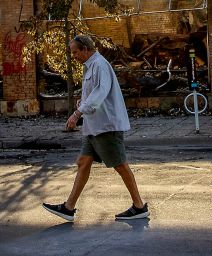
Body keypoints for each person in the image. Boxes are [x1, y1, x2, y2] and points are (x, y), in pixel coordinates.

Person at [42, 34, 149, 222]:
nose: (73, 55)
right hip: (94, 127)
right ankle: (68, 207)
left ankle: (139, 206)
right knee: (83, 162)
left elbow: (100, 92)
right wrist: (82, 102)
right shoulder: (91, 66)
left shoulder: (99, 64)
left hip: (106, 126)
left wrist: (77, 114)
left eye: (75, 52)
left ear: (85, 49)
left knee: (121, 165)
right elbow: (94, 93)